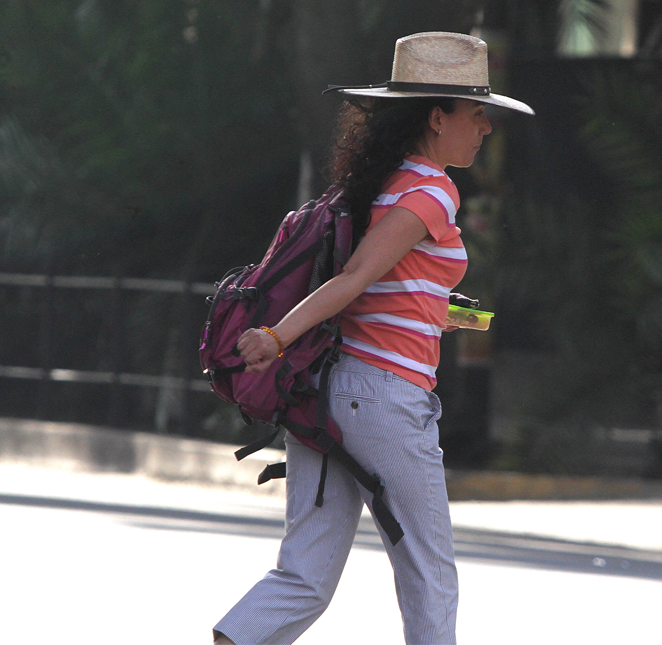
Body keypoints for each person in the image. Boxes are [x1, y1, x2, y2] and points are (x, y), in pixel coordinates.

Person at [212, 32, 533, 645]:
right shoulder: (433, 189)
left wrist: (433, 312)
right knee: (429, 572)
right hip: (383, 398)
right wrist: (275, 337)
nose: (485, 127)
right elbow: (355, 277)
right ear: (438, 118)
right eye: (476, 112)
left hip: (324, 394)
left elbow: (377, 289)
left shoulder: (377, 186)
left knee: (303, 576)